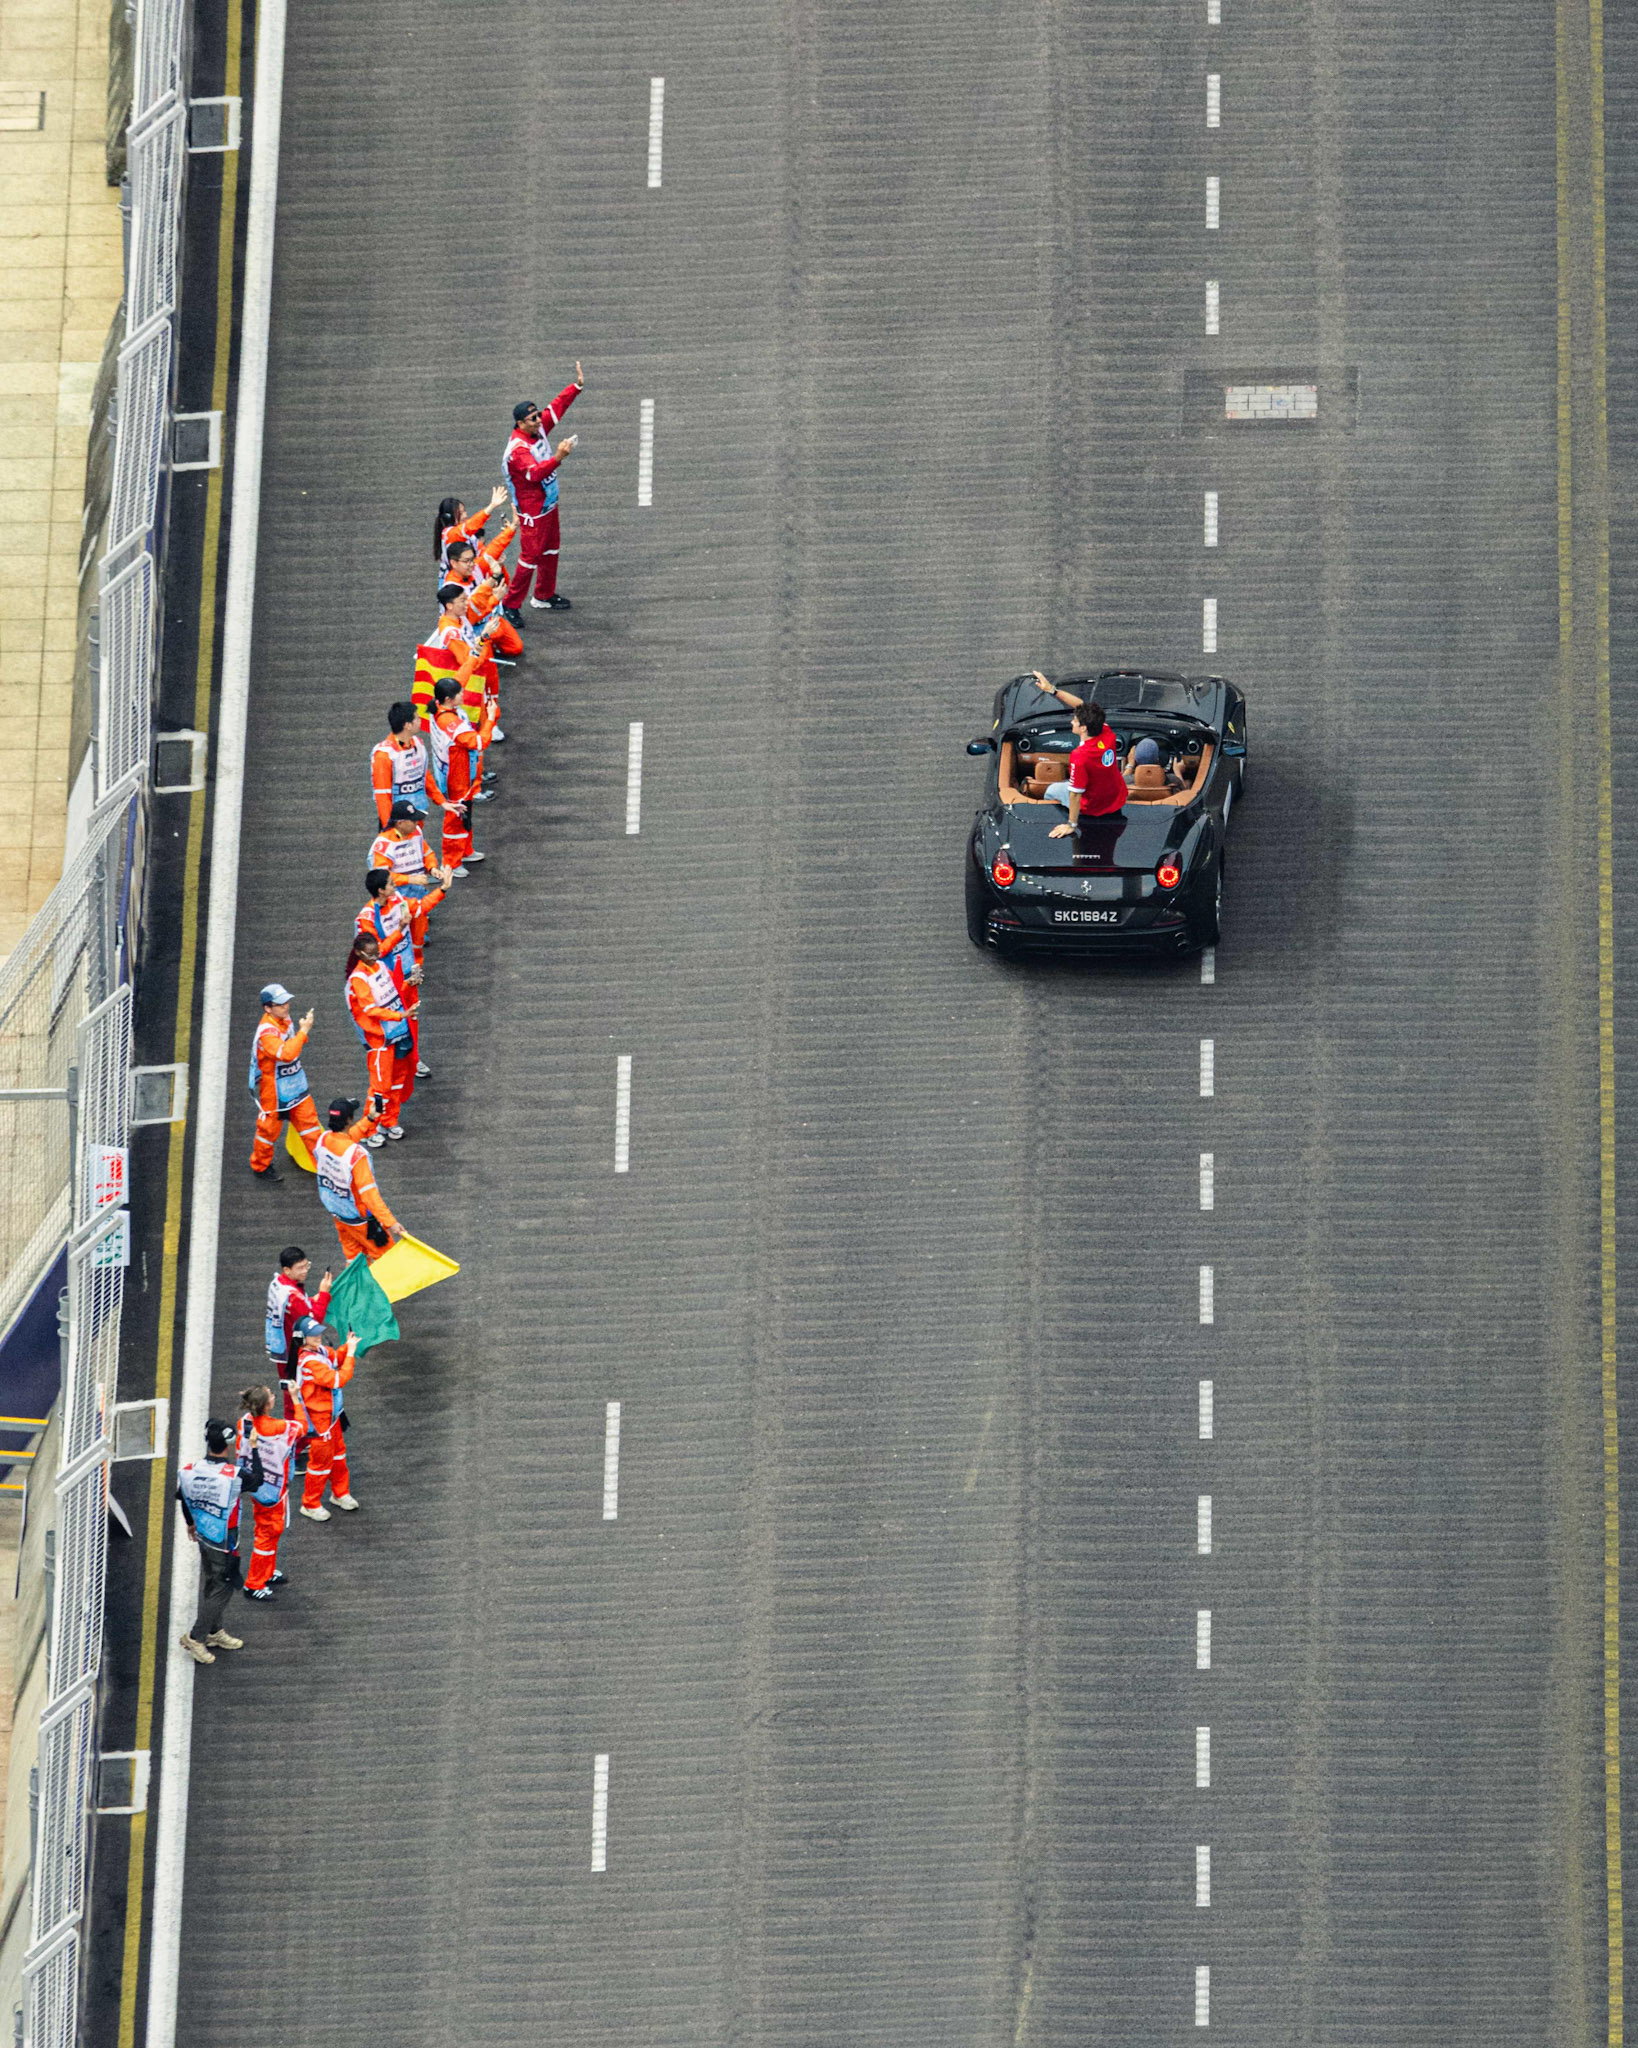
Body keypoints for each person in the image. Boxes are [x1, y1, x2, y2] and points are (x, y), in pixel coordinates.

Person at [501, 364, 583, 616]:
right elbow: (533, 474)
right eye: (533, 418)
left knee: (551, 549)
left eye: (538, 416)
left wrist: (576, 387)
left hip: (548, 505)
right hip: (533, 512)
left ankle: (544, 595)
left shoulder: (538, 430)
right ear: (520, 423)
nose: (539, 420)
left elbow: (555, 408)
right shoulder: (517, 450)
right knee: (529, 558)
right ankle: (511, 604)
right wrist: (558, 457)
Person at [176, 1418, 249, 1662]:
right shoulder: (233, 1475)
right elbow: (258, 1479)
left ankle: (214, 1632)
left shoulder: (190, 1470)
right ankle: (196, 1637)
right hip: (225, 1537)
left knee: (212, 1579)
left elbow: (182, 1496)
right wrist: (256, 1448)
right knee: (224, 1585)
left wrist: (190, 1522)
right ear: (229, 1443)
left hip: (204, 1534)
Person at [1023, 675, 1127, 838]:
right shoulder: (1106, 732)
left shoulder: (1079, 757)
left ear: (1084, 728)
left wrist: (1071, 825)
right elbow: (1081, 705)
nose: (1071, 721)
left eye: (1075, 720)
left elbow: (1075, 794)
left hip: (1092, 807)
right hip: (1114, 798)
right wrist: (1052, 690)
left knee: (1051, 790)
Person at [315, 1096, 406, 1265]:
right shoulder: (356, 1156)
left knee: (354, 1259)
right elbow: (369, 1195)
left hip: (339, 1214)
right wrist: (390, 1223)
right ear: (349, 1120)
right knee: (388, 1258)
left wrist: (370, 1118)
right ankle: (382, 1291)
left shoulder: (324, 1140)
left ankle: (357, 1289)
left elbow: (345, 1141)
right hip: (360, 1219)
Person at [345, 929, 414, 1140]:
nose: (376, 956)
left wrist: (408, 984)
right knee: (380, 1087)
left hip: (396, 1032)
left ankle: (389, 1120)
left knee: (397, 1079)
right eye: (371, 954)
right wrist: (400, 1014)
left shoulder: (381, 966)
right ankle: (369, 1129)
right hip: (379, 1039)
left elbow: (393, 991)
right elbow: (370, 1010)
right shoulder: (358, 979)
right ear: (359, 954)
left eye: (376, 952)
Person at [248, 984, 321, 1182]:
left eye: (286, 1001)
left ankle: (325, 1167)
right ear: (267, 1008)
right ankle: (261, 1166)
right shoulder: (267, 1033)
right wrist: (303, 1032)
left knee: (311, 1127)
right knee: (267, 1132)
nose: (286, 1006)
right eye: (280, 1004)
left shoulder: (284, 1019)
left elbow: (292, 1046)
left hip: (295, 1084)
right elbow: (287, 1054)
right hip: (274, 1090)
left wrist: (300, 1035)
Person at [237, 1385, 304, 1601]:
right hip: (274, 1489)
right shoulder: (279, 1427)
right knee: (268, 1535)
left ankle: (267, 1570)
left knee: (265, 1529)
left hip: (255, 1485)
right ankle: (254, 1582)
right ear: (267, 1405)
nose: (274, 1396)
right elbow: (303, 1427)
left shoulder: (245, 1421)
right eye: (271, 1395)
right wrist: (295, 1397)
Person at [429, 674, 496, 874]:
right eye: (459, 693)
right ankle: (451, 863)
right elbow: (478, 742)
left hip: (460, 771)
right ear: (448, 699)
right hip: (456, 776)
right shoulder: (450, 721)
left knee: (465, 814)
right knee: (455, 818)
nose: (463, 694)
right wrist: (490, 718)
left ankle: (465, 850)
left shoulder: (442, 708)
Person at [293, 1319, 359, 1521]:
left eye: (319, 1332)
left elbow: (335, 1358)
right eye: (313, 1334)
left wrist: (347, 1345)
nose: (319, 1336)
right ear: (303, 1340)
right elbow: (337, 1379)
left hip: (331, 1416)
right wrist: (350, 1354)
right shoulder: (310, 1362)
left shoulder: (319, 1351)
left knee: (339, 1455)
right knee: (319, 1464)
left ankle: (340, 1493)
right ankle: (310, 1504)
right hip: (319, 1419)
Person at [265, 1246, 333, 1418]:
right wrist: (324, 1294)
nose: (305, 1271)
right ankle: (298, 1436)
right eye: (300, 1268)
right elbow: (313, 1322)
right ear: (287, 1270)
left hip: (282, 1348)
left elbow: (298, 1308)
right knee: (296, 1395)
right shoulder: (293, 1296)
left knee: (291, 1392)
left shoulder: (278, 1284)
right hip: (294, 1354)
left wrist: (310, 1301)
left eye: (306, 1266)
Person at [371, 701, 438, 828]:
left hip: (416, 815)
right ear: (407, 725)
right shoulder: (384, 755)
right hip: (398, 823)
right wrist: (389, 828)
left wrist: (442, 801)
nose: (420, 721)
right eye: (417, 718)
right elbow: (382, 796)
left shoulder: (418, 743)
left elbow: (423, 775)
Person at [434, 484, 509, 580]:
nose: (465, 515)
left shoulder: (471, 537)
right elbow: (470, 526)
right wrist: (491, 506)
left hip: (471, 582)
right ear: (449, 518)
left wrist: (506, 533)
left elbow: (485, 555)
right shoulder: (448, 534)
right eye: (460, 513)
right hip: (453, 584)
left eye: (464, 511)